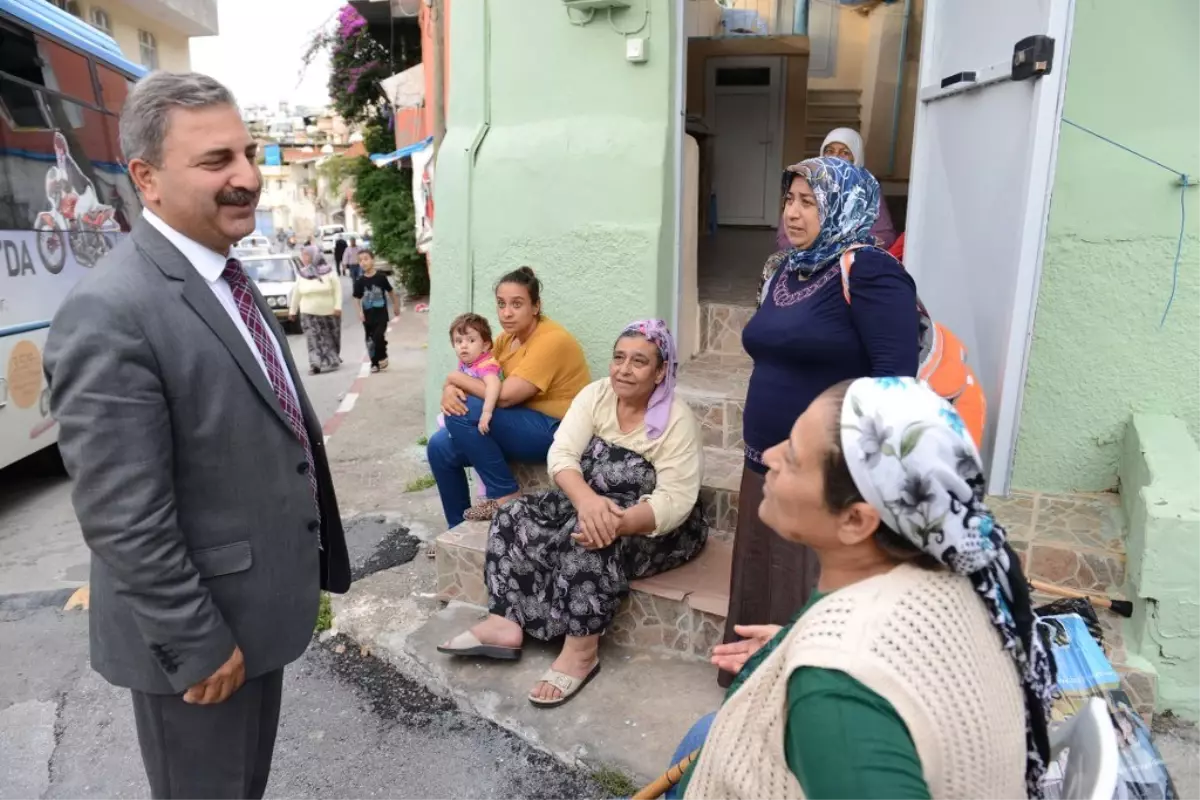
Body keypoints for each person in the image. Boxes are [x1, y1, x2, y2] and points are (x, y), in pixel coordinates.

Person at [43, 71, 350, 800]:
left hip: (258, 614)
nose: (247, 177)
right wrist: (198, 643)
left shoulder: (224, 278)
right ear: (146, 179)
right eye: (217, 162)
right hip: (203, 640)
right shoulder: (111, 310)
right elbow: (122, 514)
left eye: (246, 154)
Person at [670, 377, 1054, 799]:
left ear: (856, 520)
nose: (769, 456)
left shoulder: (836, 689)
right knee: (701, 736)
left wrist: (827, 670)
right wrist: (791, 645)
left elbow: (856, 688)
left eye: (794, 458)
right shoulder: (959, 572)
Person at [721, 156, 920, 687]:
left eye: (809, 202)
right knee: (764, 572)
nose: (793, 212)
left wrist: (855, 469)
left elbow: (894, 383)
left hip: (824, 470)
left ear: (843, 206)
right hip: (763, 459)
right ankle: (753, 679)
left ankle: (803, 689)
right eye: (789, 199)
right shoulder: (784, 268)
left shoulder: (871, 272)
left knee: (806, 580)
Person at [438, 320, 709, 708]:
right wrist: (585, 501)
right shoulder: (596, 395)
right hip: (588, 496)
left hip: (649, 521)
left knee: (588, 540)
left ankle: (581, 652)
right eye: (619, 358)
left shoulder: (677, 420)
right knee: (512, 514)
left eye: (639, 362)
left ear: (661, 370)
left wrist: (618, 521)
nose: (624, 369)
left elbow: (676, 499)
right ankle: (505, 621)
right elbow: (562, 454)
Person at [427, 267, 591, 526]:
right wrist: (450, 389)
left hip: (556, 430)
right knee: (439, 447)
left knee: (469, 409)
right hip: (520, 425)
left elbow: (504, 398)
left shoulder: (551, 340)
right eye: (501, 304)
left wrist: (455, 379)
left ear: (536, 306)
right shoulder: (506, 340)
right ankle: (457, 528)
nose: (506, 312)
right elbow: (479, 376)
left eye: (517, 304)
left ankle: (505, 496)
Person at [776, 128, 898, 251]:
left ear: (856, 157)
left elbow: (885, 235)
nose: (835, 157)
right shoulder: (806, 183)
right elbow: (784, 237)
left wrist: (847, 250)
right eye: (829, 151)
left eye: (844, 152)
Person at [289, 245, 343, 374]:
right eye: (303, 255)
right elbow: (297, 293)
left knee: (330, 337)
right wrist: (292, 310)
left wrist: (338, 307)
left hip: (329, 311)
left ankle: (332, 359)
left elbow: (337, 291)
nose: (304, 258)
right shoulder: (302, 274)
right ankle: (315, 364)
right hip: (308, 312)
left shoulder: (329, 272)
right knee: (312, 338)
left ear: (315, 256)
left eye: (307, 255)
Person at [352, 250, 400, 372]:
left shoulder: (381, 277)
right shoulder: (359, 281)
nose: (363, 262)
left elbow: (391, 292)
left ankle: (382, 356)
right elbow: (356, 298)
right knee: (370, 340)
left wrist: (396, 305)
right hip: (367, 316)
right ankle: (374, 363)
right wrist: (359, 312)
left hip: (381, 314)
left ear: (372, 260)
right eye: (360, 260)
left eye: (366, 259)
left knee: (378, 336)